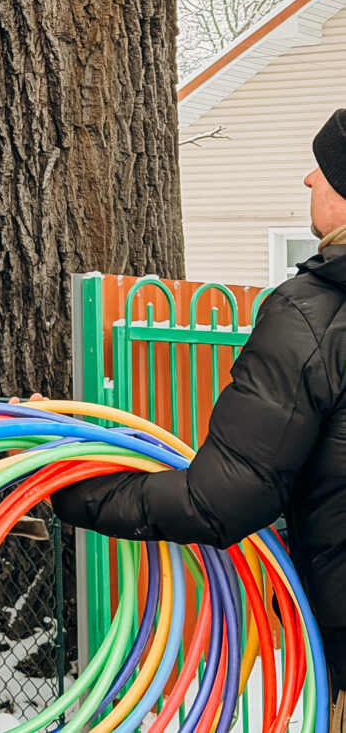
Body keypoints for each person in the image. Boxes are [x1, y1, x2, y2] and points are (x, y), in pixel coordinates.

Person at [52, 107, 346, 713]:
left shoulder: (313, 315)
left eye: (323, 168)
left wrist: (64, 485)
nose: (309, 181)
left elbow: (219, 501)